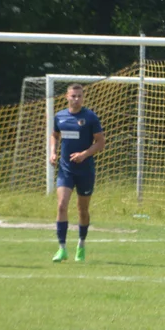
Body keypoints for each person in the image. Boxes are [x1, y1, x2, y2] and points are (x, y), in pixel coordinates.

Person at [48, 83, 105, 263]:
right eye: (73, 96)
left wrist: (84, 154)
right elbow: (54, 135)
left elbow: (100, 142)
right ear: (67, 96)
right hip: (65, 170)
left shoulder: (90, 117)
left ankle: (81, 245)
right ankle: (62, 248)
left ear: (83, 97)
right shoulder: (60, 116)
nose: (76, 99)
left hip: (85, 171)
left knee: (82, 209)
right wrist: (52, 152)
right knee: (62, 205)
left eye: (79, 96)